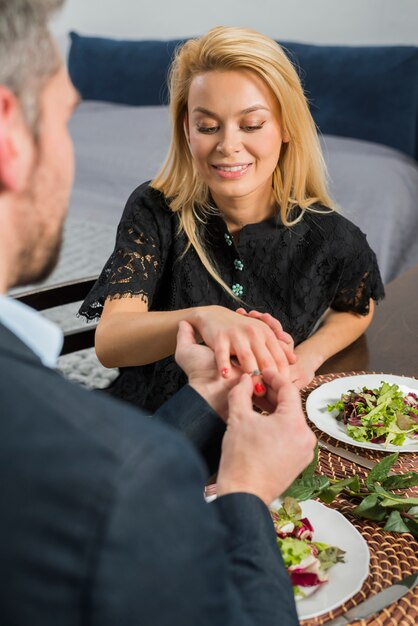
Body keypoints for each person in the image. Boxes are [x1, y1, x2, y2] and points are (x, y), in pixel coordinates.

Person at [0, 2, 317, 624]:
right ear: (8, 138)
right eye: (70, 118)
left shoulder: (318, 226)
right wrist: (246, 492)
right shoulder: (128, 475)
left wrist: (202, 390)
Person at [79, 26, 385, 413]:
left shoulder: (331, 235)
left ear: (286, 126)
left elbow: (356, 305)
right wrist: (205, 319)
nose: (227, 146)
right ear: (186, 130)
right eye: (207, 126)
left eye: (252, 124)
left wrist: (308, 357)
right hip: (147, 423)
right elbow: (111, 342)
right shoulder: (156, 209)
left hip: (256, 429)